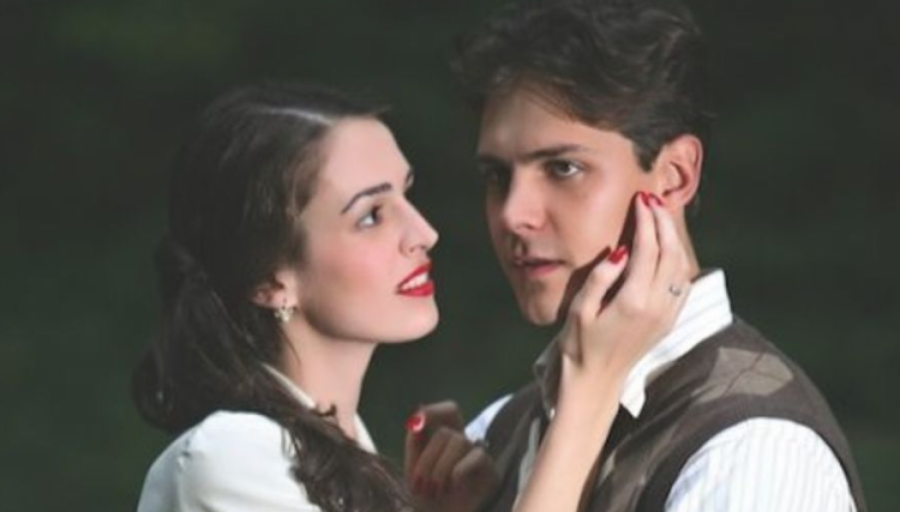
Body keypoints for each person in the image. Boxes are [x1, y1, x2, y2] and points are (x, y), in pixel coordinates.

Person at [132, 81, 692, 512]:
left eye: (407, 195)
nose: (423, 233)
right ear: (270, 281)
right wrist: (590, 387)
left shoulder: (340, 453)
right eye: (371, 216)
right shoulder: (229, 459)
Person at [406, 0, 869, 511]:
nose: (514, 214)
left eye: (562, 168)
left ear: (675, 176)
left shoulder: (753, 450)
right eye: (497, 176)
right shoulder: (498, 432)